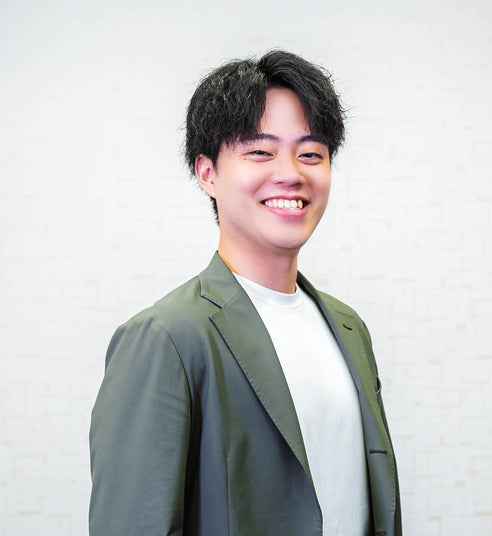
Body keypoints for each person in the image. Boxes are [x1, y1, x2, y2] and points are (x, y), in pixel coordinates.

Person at [89, 49, 402, 536]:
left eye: (311, 153)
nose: (291, 173)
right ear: (207, 172)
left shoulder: (349, 328)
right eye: (260, 152)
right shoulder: (166, 337)